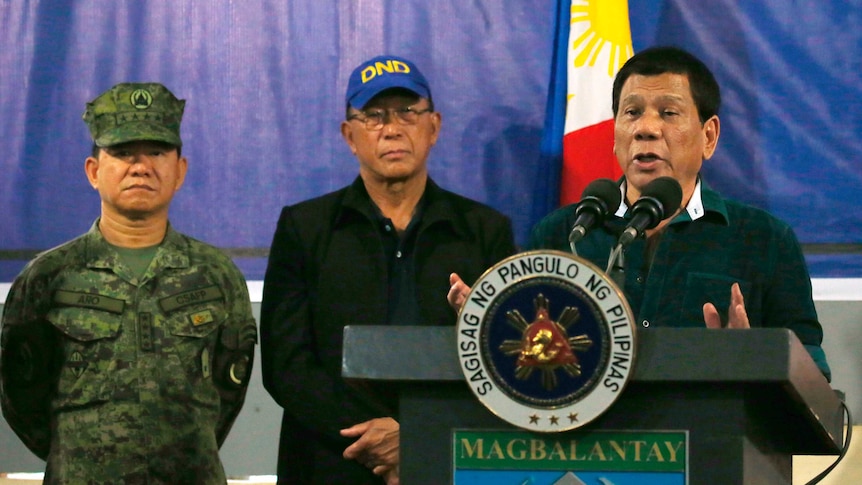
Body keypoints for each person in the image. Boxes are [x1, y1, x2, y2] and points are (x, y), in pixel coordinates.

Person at [450, 45, 831, 381]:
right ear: (615, 131)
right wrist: (493, 330)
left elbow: (813, 375)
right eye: (631, 112)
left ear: (709, 136)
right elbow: (526, 367)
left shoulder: (763, 239)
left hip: (711, 450)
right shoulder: (563, 234)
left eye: (668, 113)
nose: (646, 129)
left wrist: (753, 362)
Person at [260, 55, 517, 484]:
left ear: (434, 127)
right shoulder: (304, 228)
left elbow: (505, 362)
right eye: (374, 116)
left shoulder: (484, 232)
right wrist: (380, 438)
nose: (392, 128)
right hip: (332, 460)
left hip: (448, 460)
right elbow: (287, 366)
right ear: (350, 135)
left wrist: (418, 437)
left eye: (407, 113)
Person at [0, 82, 258, 483]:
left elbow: (228, 393)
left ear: (180, 171)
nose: (141, 166)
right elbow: (21, 395)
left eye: (156, 152)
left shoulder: (216, 275)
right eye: (122, 153)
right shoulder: (48, 277)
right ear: (93, 171)